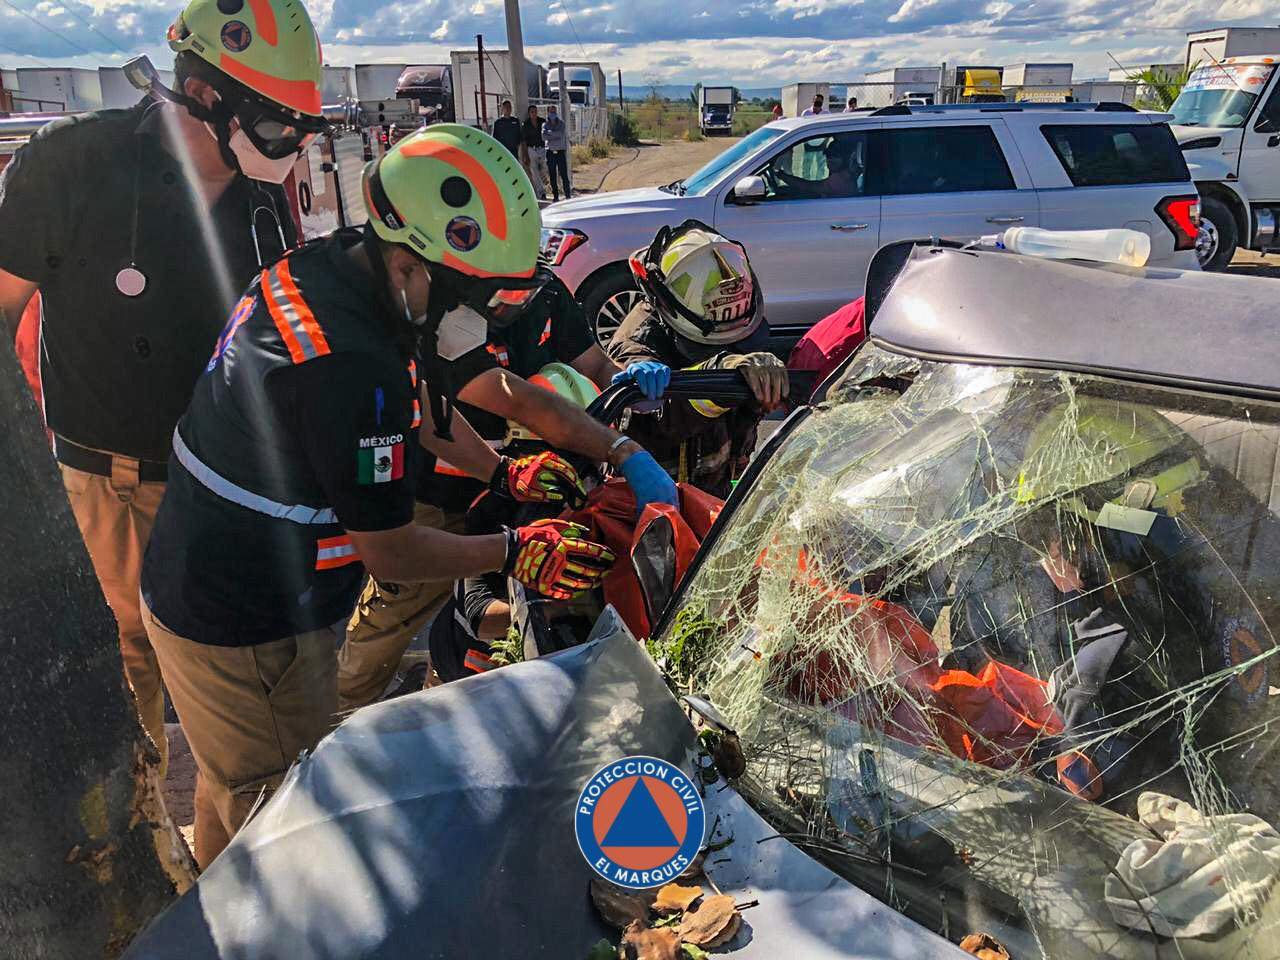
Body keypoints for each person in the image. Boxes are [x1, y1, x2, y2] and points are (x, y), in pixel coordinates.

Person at [138, 125, 617, 866]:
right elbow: (390, 548)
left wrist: (498, 471)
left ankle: (207, 889)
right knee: (277, 823)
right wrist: (519, 549)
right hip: (242, 619)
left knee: (228, 782)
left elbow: (416, 410)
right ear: (407, 265)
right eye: (473, 300)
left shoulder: (336, 275)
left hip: (215, 574)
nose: (480, 322)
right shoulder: (345, 364)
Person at [0, 0, 325, 777]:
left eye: (302, 130)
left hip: (225, 484)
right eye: (278, 126)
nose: (291, 148)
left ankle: (237, 846)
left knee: (235, 678)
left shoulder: (258, 199)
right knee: (130, 660)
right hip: (111, 481)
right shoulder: (74, 163)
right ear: (205, 96)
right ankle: (141, 846)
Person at [338, 269, 675, 709]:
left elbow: (590, 364)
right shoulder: (441, 306)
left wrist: (628, 379)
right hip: (440, 495)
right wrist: (616, 450)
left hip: (521, 486)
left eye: (521, 294)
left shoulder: (548, 295)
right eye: (497, 296)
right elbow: (501, 397)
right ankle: (337, 713)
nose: (507, 307)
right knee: (392, 614)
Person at [607, 221, 789, 498]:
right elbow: (655, 422)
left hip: (713, 493)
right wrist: (720, 374)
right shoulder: (636, 344)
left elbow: (741, 420)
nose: (728, 347)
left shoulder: (734, 318)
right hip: (649, 502)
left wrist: (759, 394)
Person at [543, 104, 571, 202]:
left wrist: (550, 133)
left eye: (554, 112)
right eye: (551, 112)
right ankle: (556, 196)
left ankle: (568, 195)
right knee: (552, 175)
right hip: (550, 153)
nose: (553, 114)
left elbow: (560, 134)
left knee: (563, 174)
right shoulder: (544, 124)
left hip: (560, 152)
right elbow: (543, 136)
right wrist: (553, 134)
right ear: (548, 113)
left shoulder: (561, 124)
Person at [522, 104, 550, 201]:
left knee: (544, 168)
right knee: (534, 172)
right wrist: (525, 154)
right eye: (532, 112)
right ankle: (541, 193)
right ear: (529, 113)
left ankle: (545, 183)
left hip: (542, 149)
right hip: (531, 149)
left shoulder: (542, 121)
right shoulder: (526, 124)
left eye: (535, 111)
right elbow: (524, 140)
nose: (534, 113)